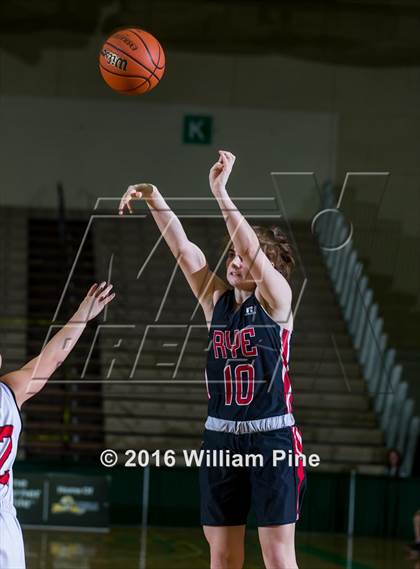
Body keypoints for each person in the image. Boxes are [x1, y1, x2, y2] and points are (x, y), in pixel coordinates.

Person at [119, 150, 305, 569]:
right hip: (221, 435)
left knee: (277, 555)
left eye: (244, 256)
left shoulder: (278, 302)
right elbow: (185, 251)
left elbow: (251, 249)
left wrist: (220, 191)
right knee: (221, 557)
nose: (235, 260)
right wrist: (154, 197)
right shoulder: (216, 301)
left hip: (272, 438)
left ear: (269, 269)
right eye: (234, 256)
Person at [0, 282, 115, 569]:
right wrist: (81, 315)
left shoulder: (11, 389)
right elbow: (52, 359)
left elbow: (52, 359)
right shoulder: (11, 390)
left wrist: (82, 315)